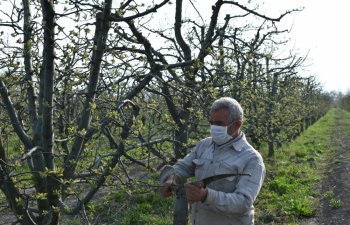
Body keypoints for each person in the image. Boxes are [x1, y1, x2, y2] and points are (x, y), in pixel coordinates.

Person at [159, 97, 265, 225]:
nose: (214, 127)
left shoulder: (252, 159)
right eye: (211, 122)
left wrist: (206, 196)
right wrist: (171, 179)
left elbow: (243, 202)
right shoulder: (204, 145)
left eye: (219, 123)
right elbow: (184, 166)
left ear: (237, 124)